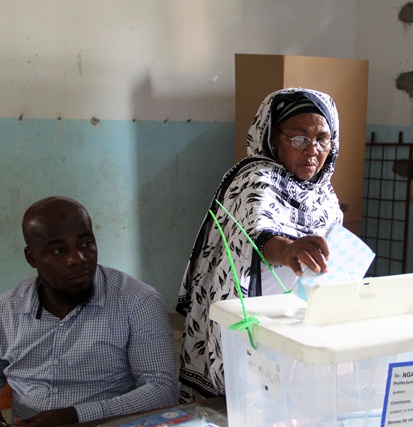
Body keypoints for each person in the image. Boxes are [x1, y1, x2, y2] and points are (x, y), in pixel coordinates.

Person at [176, 88, 343, 401]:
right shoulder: (255, 176)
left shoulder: (326, 195)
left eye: (322, 138)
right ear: (273, 136)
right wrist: (288, 250)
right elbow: (259, 234)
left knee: (291, 402)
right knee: (247, 399)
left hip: (299, 314)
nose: (311, 150)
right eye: (298, 137)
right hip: (252, 310)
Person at [0, 197, 179, 427]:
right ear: (31, 257)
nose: (77, 259)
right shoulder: (6, 310)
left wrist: (75, 416)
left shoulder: (138, 301)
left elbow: (162, 391)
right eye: (58, 250)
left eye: (85, 244)